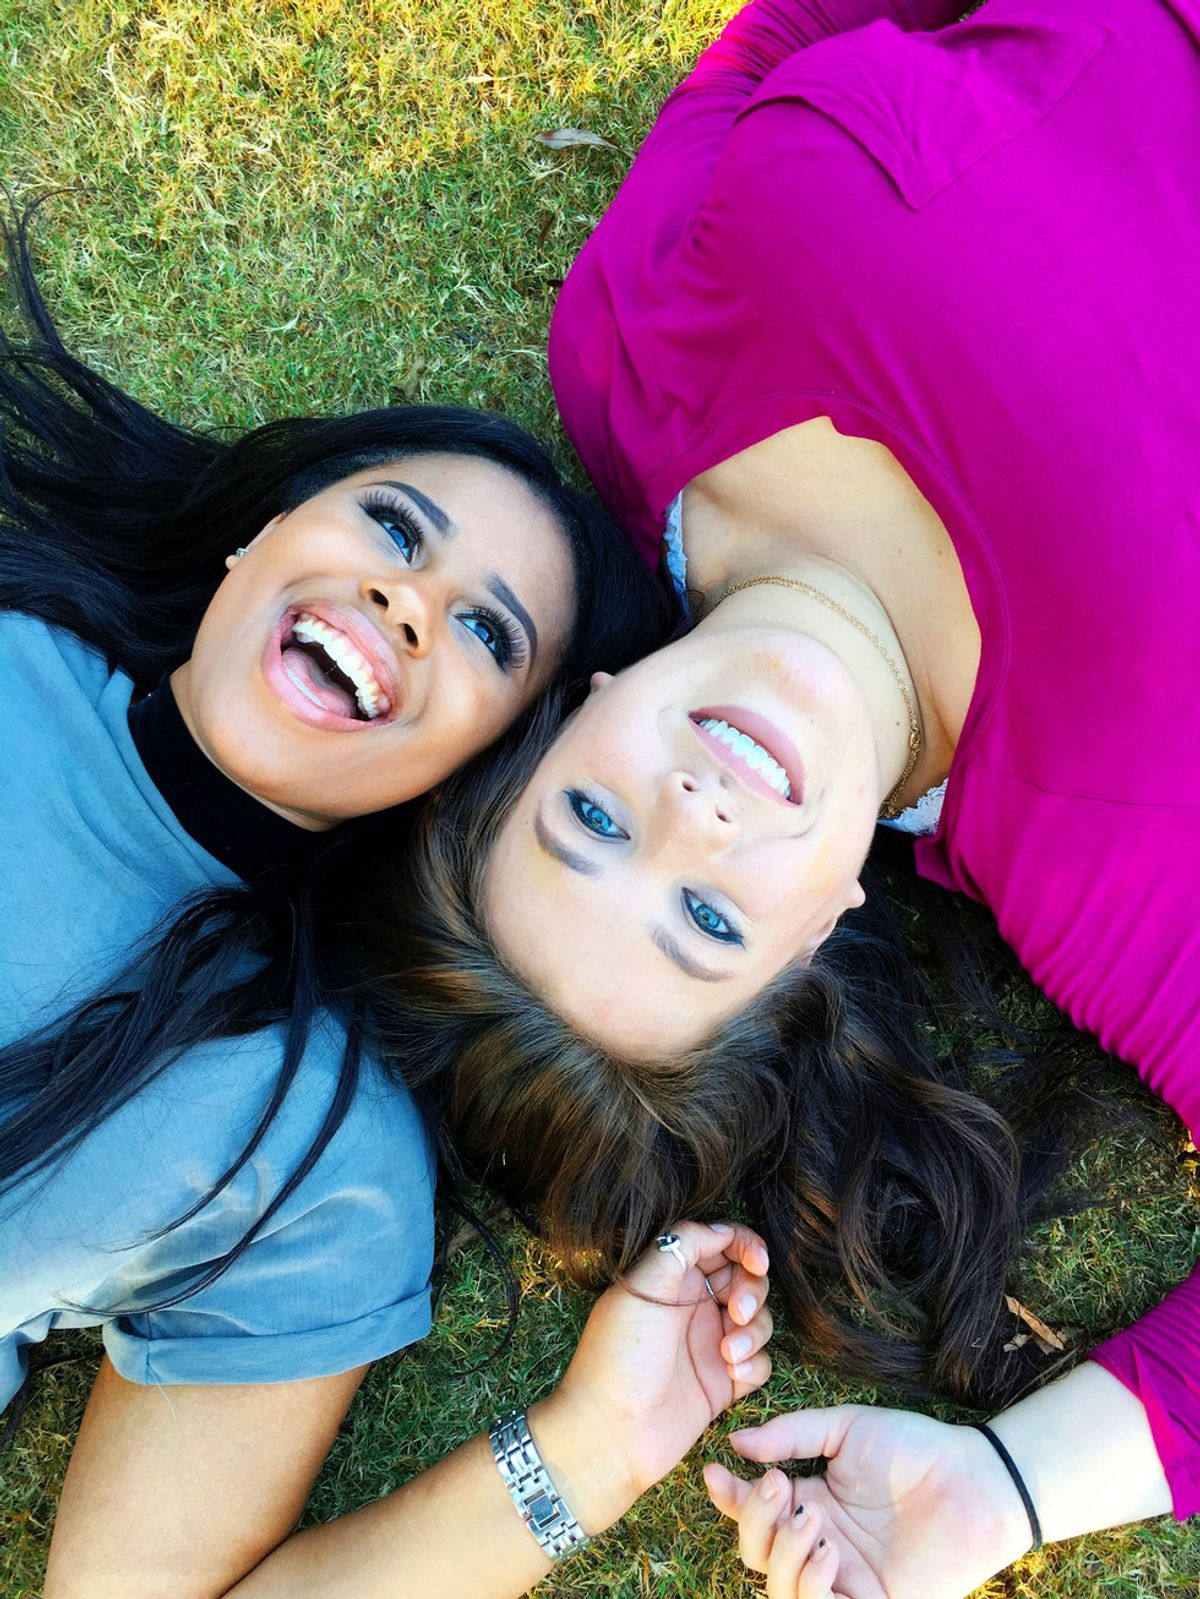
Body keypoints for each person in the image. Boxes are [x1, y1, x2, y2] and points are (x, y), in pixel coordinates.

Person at [379, 0, 1200, 1592]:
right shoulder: (1111, 875)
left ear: (572, 711)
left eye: (591, 822)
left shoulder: (632, 363)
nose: (692, 813)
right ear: (818, 938)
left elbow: (780, 53)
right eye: (704, 919)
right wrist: (1011, 1487)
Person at [0, 218, 771, 1599]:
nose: (406, 597)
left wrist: (593, 1451)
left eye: (485, 633)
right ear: (263, 535)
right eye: (395, 525)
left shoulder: (304, 1139)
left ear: (476, 786)